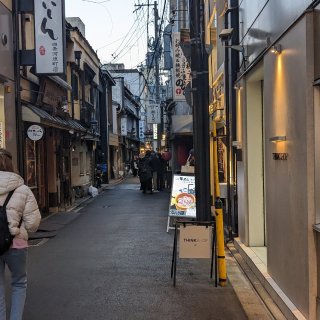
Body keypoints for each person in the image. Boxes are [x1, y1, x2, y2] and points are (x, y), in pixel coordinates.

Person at [0, 148, 41, 320]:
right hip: (15, 243)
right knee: (18, 283)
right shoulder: (22, 189)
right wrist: (19, 230)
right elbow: (33, 223)